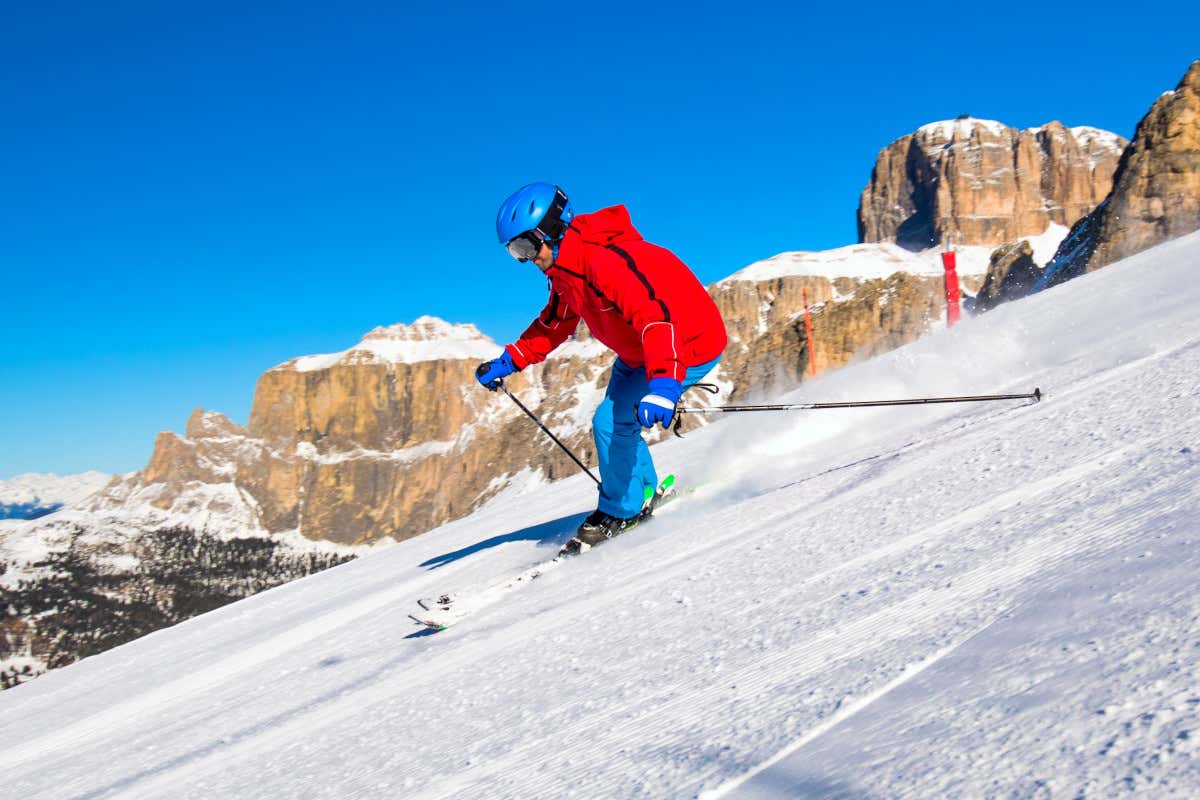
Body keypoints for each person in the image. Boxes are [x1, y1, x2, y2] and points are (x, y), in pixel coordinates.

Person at [476, 183, 727, 555]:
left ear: (550, 231)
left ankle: (622, 513)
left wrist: (664, 385)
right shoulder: (566, 271)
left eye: (526, 247)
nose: (525, 259)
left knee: (610, 423)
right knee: (616, 423)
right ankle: (641, 491)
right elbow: (555, 323)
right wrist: (511, 360)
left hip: (687, 343)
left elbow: (656, 320)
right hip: (639, 354)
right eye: (515, 252)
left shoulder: (603, 261)